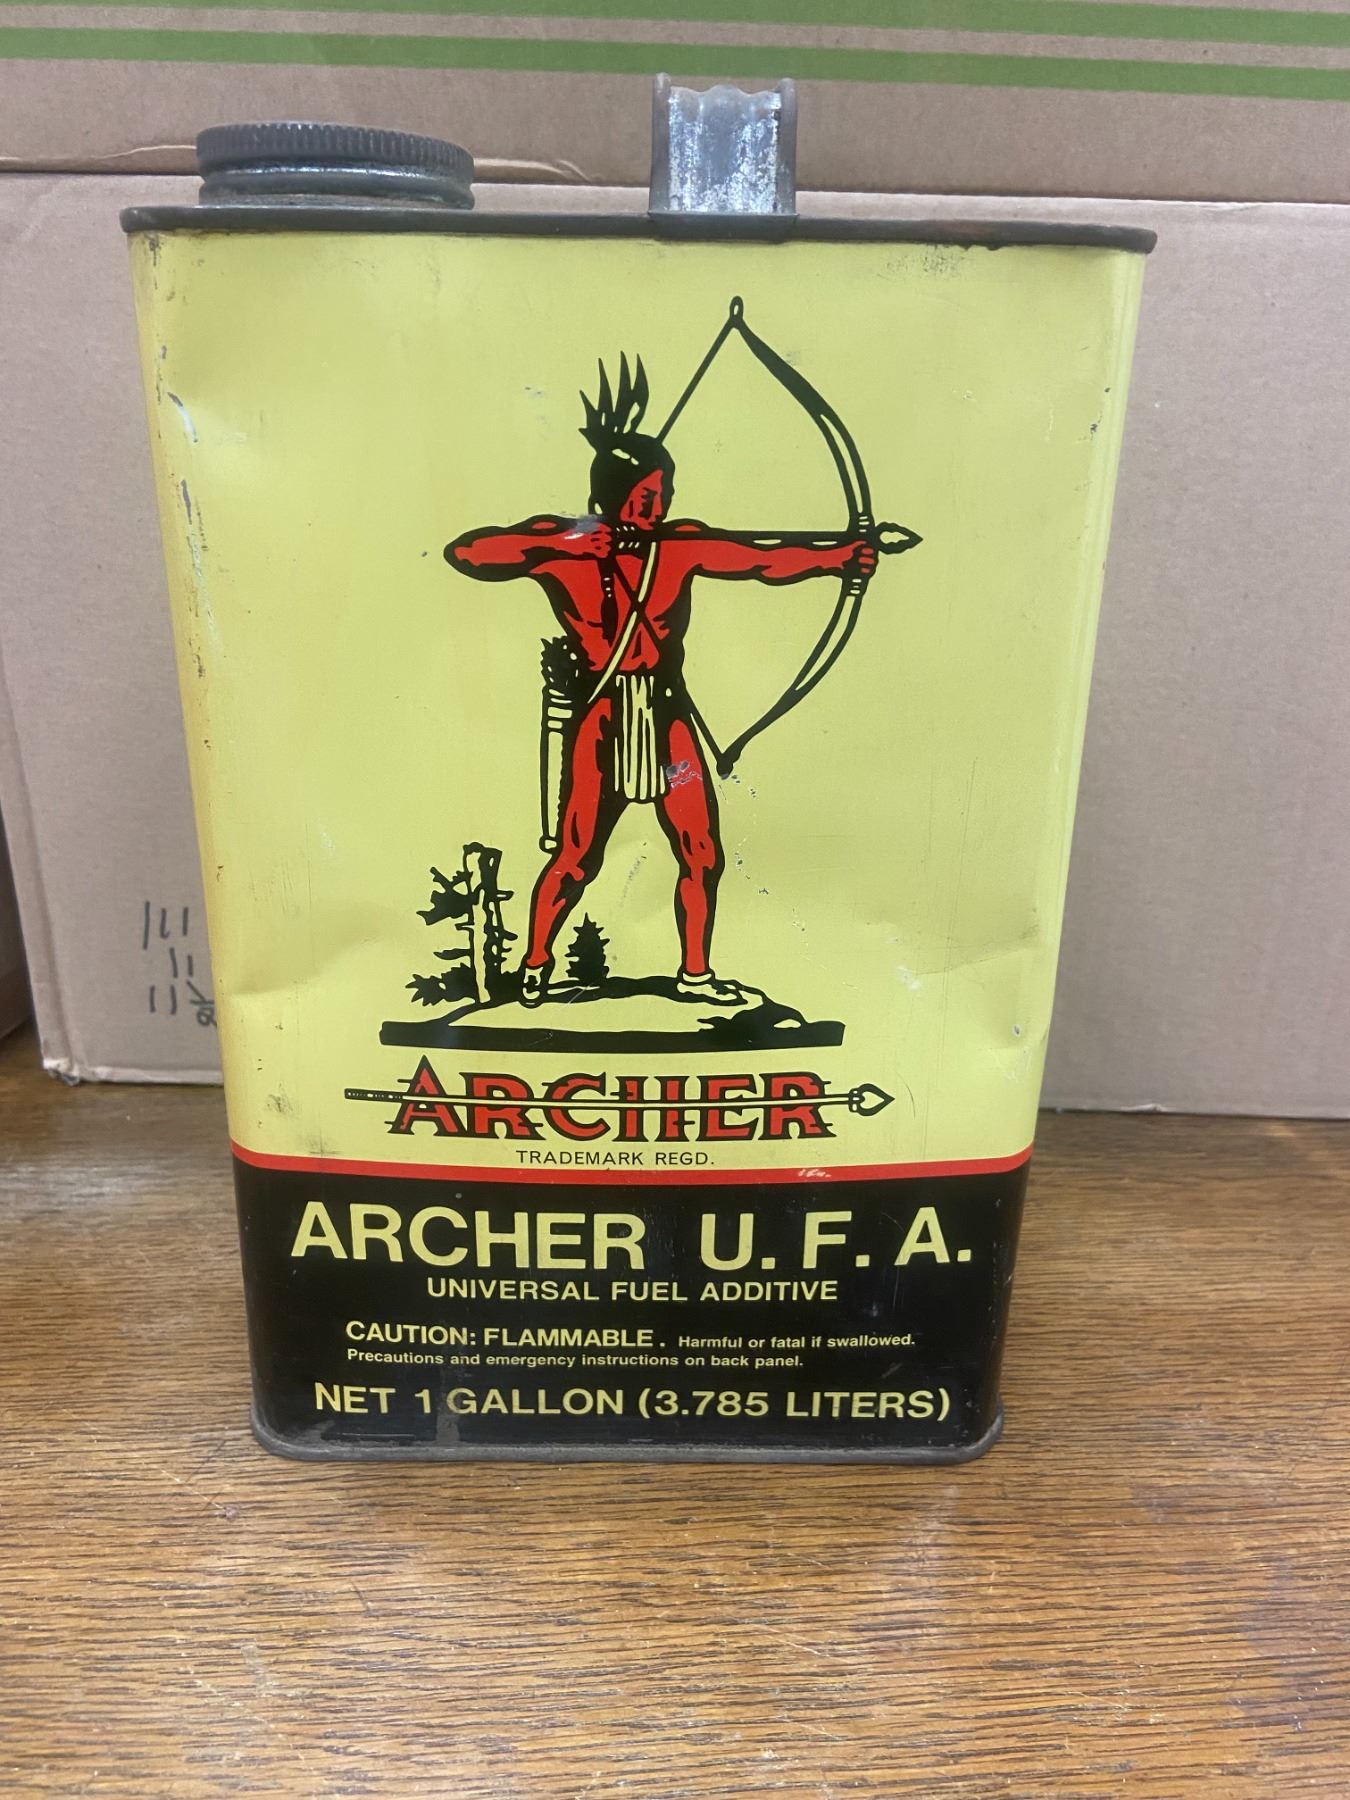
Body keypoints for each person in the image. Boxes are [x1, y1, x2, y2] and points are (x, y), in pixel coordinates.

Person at [446, 355, 875, 1008]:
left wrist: (843, 556)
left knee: (701, 850)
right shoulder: (565, 542)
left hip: (666, 718)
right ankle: (535, 961)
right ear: (612, 496)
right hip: (601, 717)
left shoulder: (679, 545)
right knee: (576, 856)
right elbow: (467, 553)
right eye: (645, 497)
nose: (657, 506)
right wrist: (568, 543)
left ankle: (694, 974)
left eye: (662, 495)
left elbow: (762, 559)